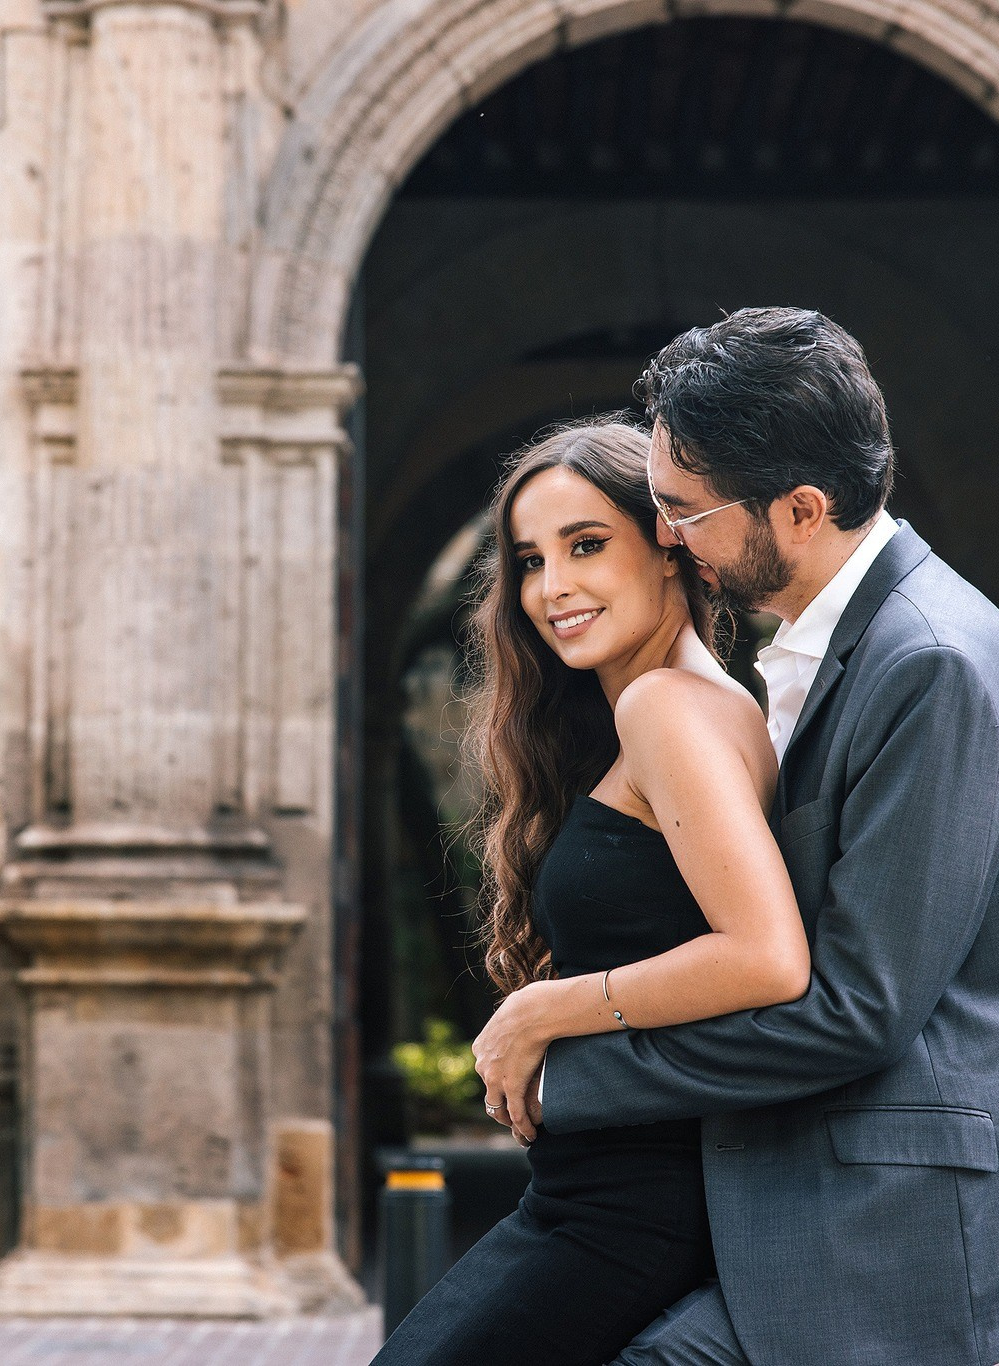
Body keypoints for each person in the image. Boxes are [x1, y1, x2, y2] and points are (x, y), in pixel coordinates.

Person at [474, 307, 999, 1365]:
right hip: (806, 1178)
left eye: (681, 512)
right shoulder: (837, 652)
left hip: (888, 1211)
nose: (666, 536)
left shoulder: (929, 662)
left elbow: (854, 1009)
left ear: (797, 508)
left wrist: (564, 1062)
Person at [371, 415, 812, 1366]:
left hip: (626, 1209)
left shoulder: (667, 709)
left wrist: (542, 1013)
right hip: (603, 1196)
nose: (553, 587)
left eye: (586, 546)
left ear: (669, 548)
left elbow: (766, 954)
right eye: (531, 560)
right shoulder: (704, 706)